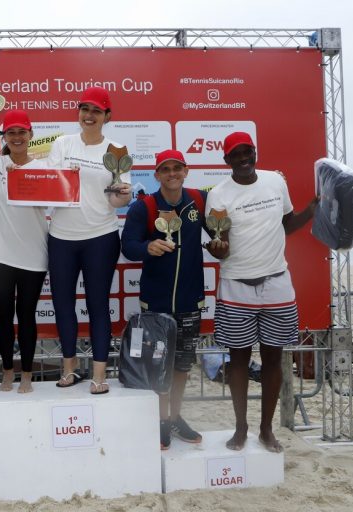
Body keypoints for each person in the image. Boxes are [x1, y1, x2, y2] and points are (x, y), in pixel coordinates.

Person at [206, 131, 318, 453]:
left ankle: (266, 430)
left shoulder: (275, 182)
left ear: (254, 152)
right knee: (239, 361)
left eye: (247, 152)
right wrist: (218, 248)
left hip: (277, 283)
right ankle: (240, 428)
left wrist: (309, 212)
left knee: (273, 359)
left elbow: (286, 225)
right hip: (236, 285)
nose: (242, 159)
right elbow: (221, 250)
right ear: (226, 160)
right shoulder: (219, 196)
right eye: (235, 155)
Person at [121, 149, 227, 449]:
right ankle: (160, 420)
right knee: (157, 365)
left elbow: (218, 229)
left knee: (182, 365)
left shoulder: (200, 200)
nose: (171, 174)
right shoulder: (144, 206)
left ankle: (175, 417)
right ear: (156, 174)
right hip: (155, 302)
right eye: (165, 169)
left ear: (185, 171)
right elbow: (127, 245)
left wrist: (220, 244)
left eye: (177, 168)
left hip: (190, 299)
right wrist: (147, 247)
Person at [45, 87, 132, 394]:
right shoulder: (62, 143)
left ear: (107, 116)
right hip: (61, 237)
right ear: (78, 113)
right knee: (63, 304)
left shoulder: (116, 149)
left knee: (98, 304)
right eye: (85, 109)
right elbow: (51, 186)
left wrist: (122, 196)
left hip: (101, 237)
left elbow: (116, 201)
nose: (89, 115)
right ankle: (68, 370)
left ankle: (99, 374)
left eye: (96, 110)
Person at [0, 110, 48, 393]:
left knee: (28, 315)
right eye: (11, 133)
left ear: (31, 135)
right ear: (4, 136)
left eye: (22, 132)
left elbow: (64, 193)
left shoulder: (45, 167)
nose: (17, 137)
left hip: (34, 253)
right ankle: (8, 372)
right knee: (3, 315)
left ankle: (28, 374)